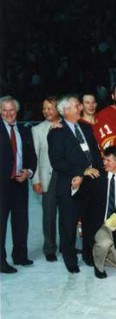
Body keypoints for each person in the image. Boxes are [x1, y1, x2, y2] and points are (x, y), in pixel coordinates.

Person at [48, 95, 102, 273]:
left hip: (91, 184)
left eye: (79, 105)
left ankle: (88, 255)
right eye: (76, 106)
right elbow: (57, 162)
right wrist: (81, 171)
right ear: (65, 111)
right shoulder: (56, 132)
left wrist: (100, 173)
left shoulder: (86, 128)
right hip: (70, 185)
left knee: (90, 223)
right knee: (68, 224)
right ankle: (70, 261)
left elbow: (94, 153)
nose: (80, 108)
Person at [71, 146, 116, 279]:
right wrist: (75, 187)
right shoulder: (95, 176)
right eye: (104, 159)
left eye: (108, 160)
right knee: (104, 242)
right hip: (98, 224)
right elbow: (79, 197)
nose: (104, 163)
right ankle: (99, 267)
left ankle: (98, 254)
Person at [0, 96, 37, 274]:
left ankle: (20, 255)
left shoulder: (24, 130)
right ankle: (1, 261)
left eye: (12, 110)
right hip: (2, 185)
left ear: (17, 111)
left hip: (20, 183)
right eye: (4, 110)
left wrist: (28, 172)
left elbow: (31, 156)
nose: (8, 113)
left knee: (21, 221)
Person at [31, 97, 60, 262]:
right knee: (48, 215)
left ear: (58, 109)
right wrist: (35, 180)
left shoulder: (67, 126)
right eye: (44, 108)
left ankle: (67, 245)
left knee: (67, 214)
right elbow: (34, 156)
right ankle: (49, 248)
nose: (47, 111)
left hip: (66, 177)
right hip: (46, 177)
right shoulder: (37, 130)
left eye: (50, 108)